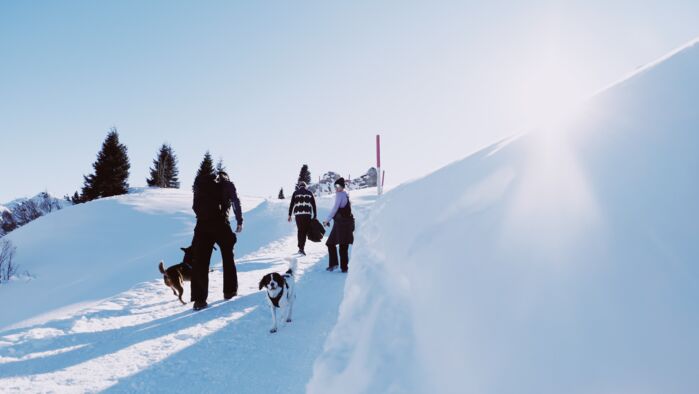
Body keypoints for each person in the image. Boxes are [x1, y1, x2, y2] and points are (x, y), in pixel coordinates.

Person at [190, 171, 243, 311]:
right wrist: (239, 221)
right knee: (227, 256)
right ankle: (229, 291)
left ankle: (199, 300)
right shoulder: (227, 184)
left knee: (200, 261)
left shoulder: (202, 184)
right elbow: (235, 201)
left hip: (201, 225)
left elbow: (194, 206)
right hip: (220, 223)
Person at [323, 178, 355, 272]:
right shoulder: (345, 194)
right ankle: (344, 268)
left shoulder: (340, 195)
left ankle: (334, 264)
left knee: (330, 243)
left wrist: (326, 220)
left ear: (342, 186)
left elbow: (335, 209)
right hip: (347, 224)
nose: (336, 188)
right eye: (335, 186)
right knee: (343, 246)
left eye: (338, 186)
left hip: (341, 225)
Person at [288, 181, 317, 256]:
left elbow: (292, 204)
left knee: (300, 231)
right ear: (305, 186)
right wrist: (315, 215)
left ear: (299, 186)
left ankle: (301, 248)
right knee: (304, 231)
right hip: (307, 215)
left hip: (298, 215)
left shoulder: (295, 193)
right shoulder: (310, 193)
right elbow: (314, 205)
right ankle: (302, 248)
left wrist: (289, 215)